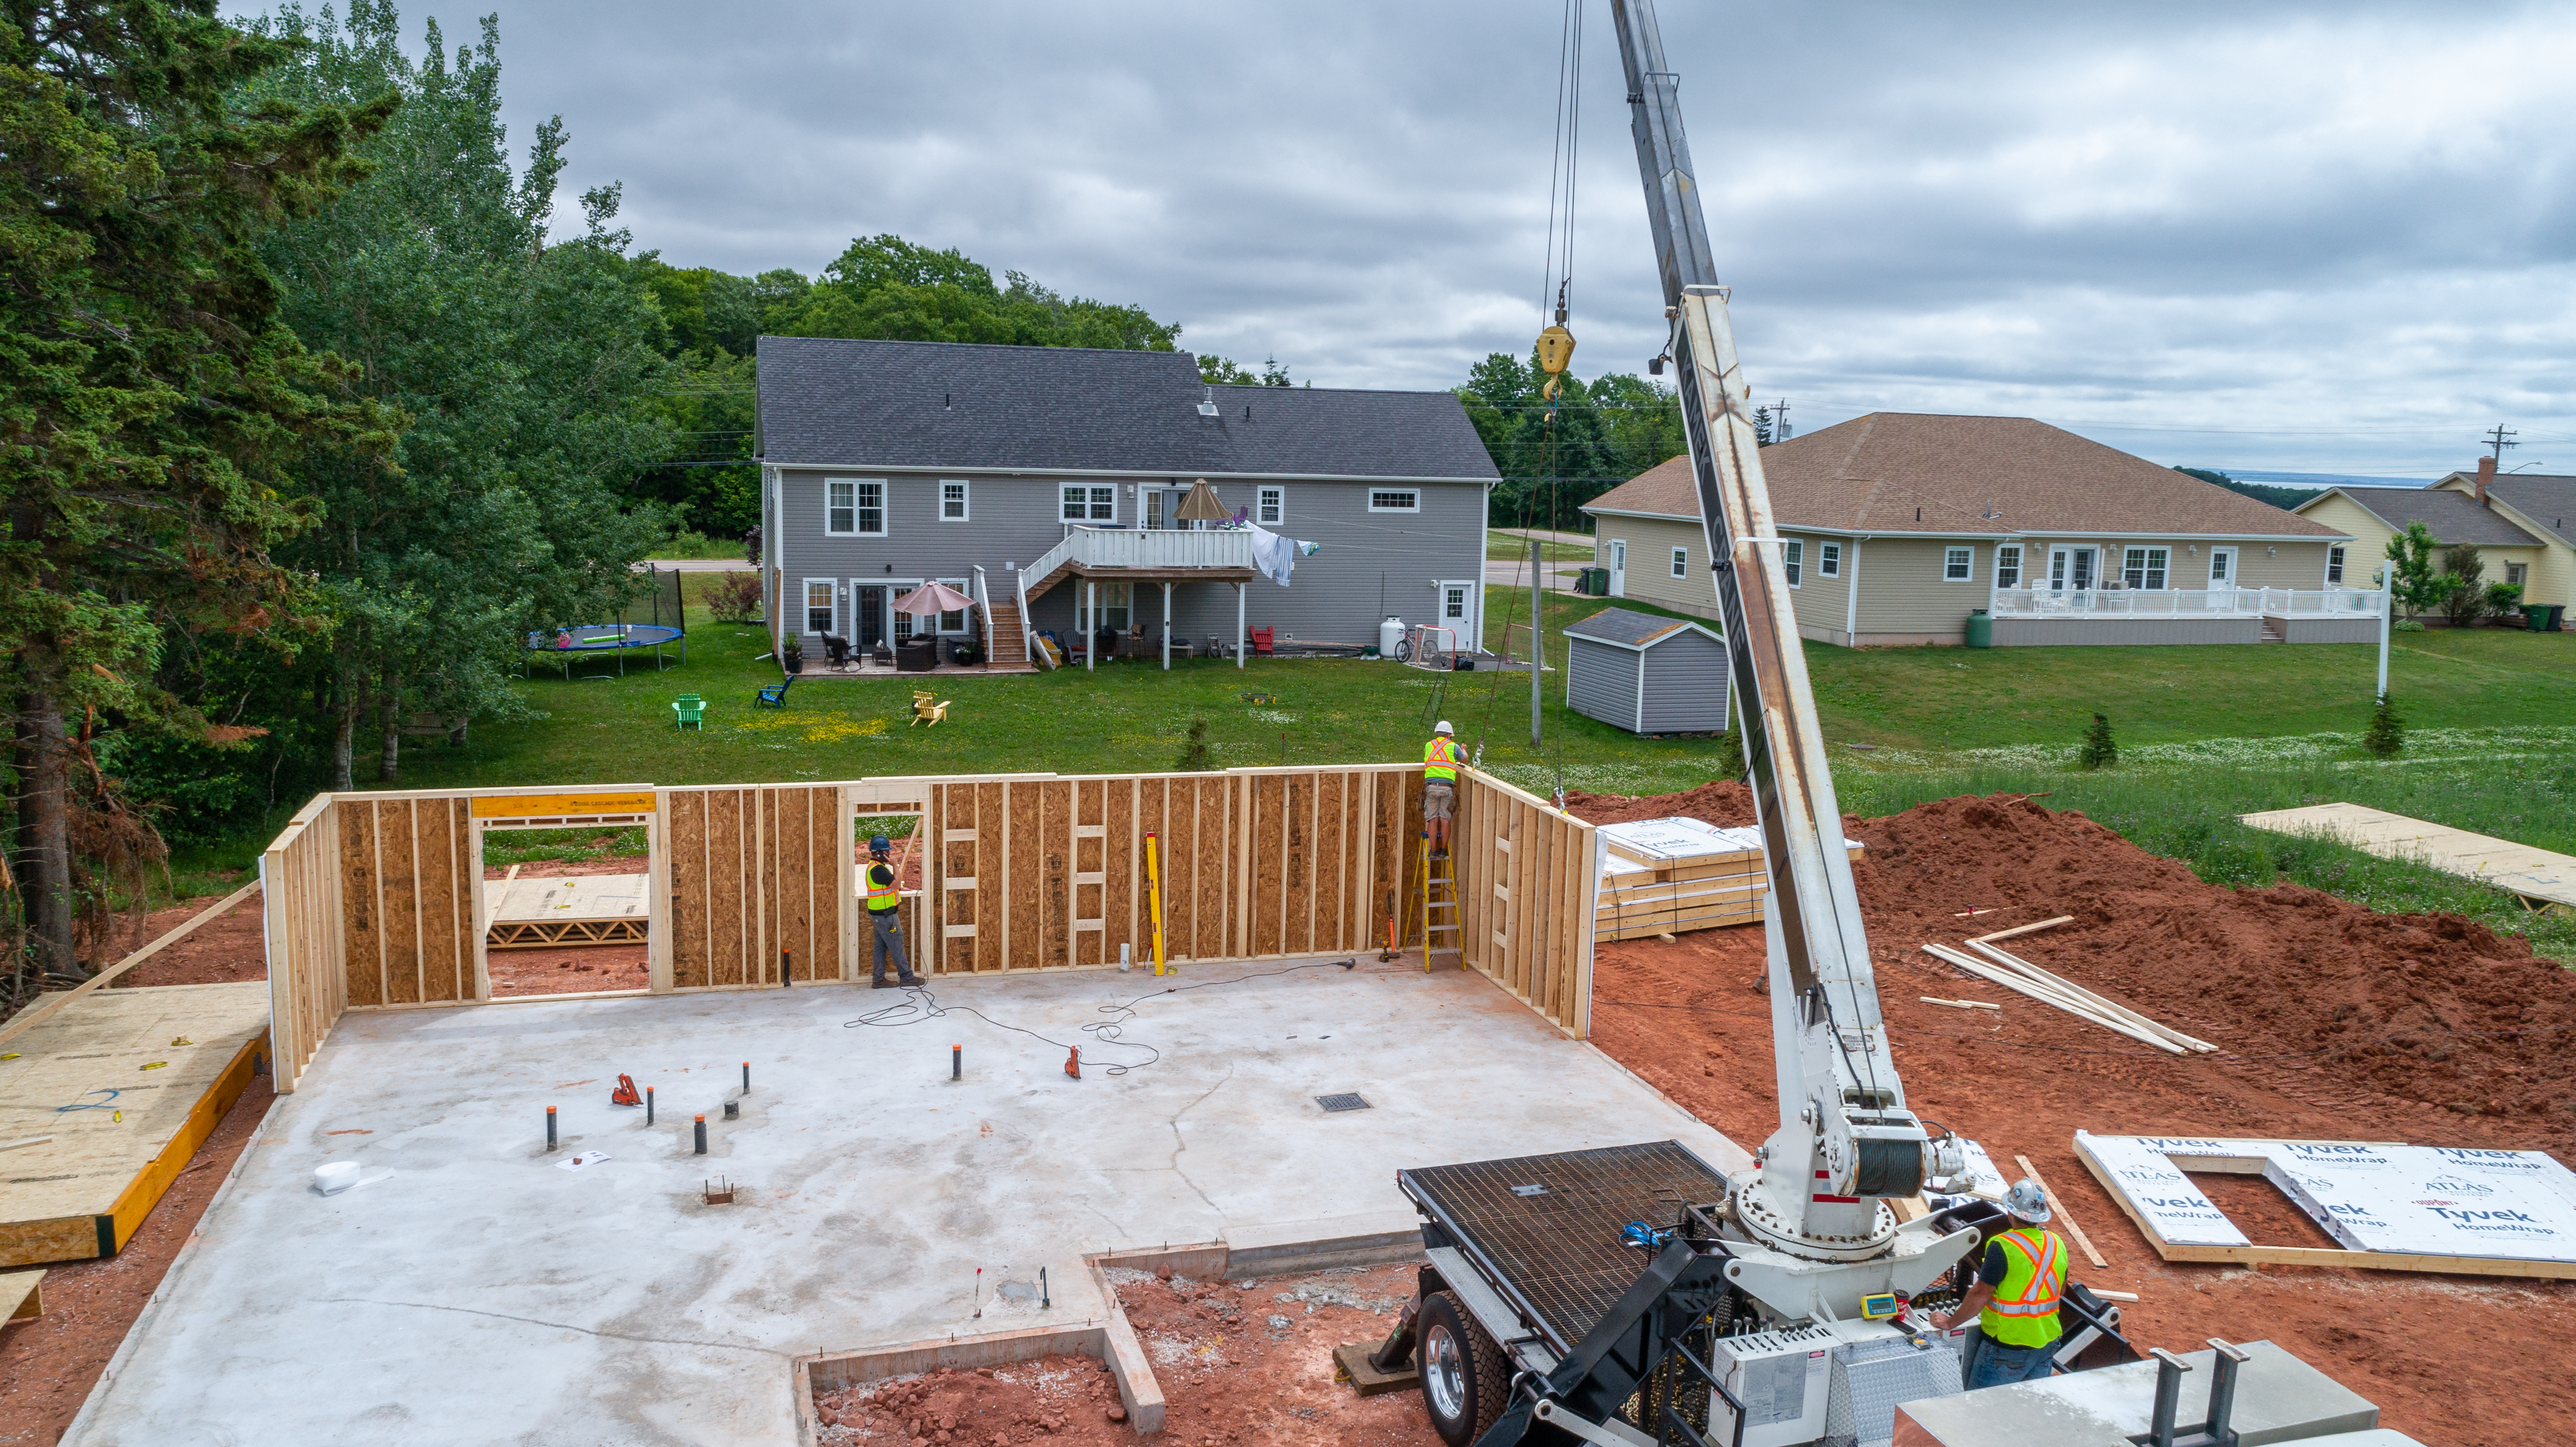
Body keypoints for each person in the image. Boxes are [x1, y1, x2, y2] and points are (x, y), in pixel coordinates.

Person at [1932, 1179, 2067, 1389]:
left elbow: (1980, 1294)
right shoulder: (2056, 1242)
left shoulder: (2003, 1245)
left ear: (2010, 1213)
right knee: (2026, 1409)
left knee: (1983, 1410)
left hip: (2007, 1348)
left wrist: (1950, 1323)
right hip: (2046, 1343)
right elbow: (2061, 1288)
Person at [865, 833, 919, 988]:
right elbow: (894, 884)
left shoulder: (876, 868)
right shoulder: (878, 870)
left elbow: (888, 886)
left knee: (880, 947)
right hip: (885, 915)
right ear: (880, 853)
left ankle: (878, 980)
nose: (890, 855)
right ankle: (907, 977)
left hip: (879, 914)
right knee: (897, 944)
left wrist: (900, 887)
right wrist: (895, 865)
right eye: (888, 852)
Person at [1422, 720, 1462, 858]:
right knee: (1445, 819)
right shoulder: (1453, 746)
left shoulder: (1429, 745)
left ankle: (1433, 850)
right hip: (1446, 788)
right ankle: (1443, 850)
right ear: (1449, 735)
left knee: (1433, 819)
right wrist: (1464, 750)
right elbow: (1465, 759)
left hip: (1431, 787)